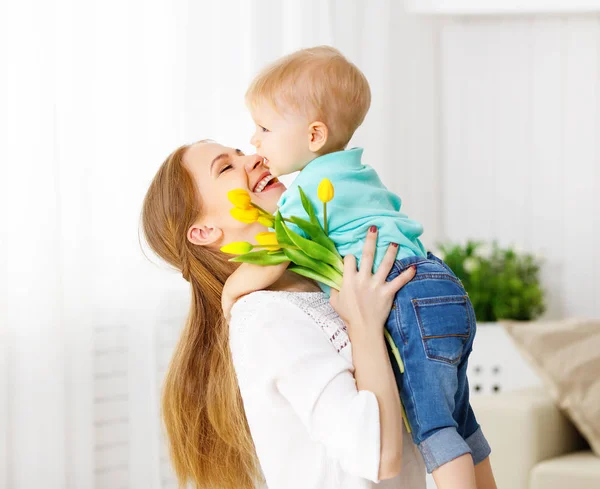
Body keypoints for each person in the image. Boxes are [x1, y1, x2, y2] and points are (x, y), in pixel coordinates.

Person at [222, 46, 498, 489]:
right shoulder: (349, 173)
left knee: (434, 429)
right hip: (436, 279)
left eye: (264, 128)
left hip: (402, 294)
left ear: (313, 135)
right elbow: (310, 219)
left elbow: (281, 250)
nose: (255, 141)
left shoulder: (305, 196)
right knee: (459, 417)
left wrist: (230, 292)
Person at [140, 140, 427, 489]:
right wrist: (363, 325)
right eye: (226, 167)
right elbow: (379, 456)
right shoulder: (264, 318)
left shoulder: (323, 279)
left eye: (241, 152)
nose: (255, 158)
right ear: (204, 232)